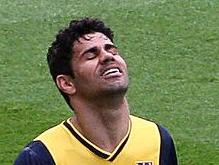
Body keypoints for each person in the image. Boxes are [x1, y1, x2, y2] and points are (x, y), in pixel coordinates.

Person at [14, 18, 178, 165]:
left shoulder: (157, 139)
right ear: (67, 83)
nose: (108, 56)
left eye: (111, 50)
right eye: (91, 55)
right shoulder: (42, 157)